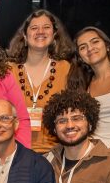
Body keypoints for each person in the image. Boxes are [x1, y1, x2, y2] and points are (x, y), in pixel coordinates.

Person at [6, 10, 74, 153]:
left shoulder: (65, 68)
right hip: (15, 151)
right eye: (34, 28)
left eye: (46, 27)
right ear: (25, 36)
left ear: (54, 35)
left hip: (54, 152)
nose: (40, 32)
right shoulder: (8, 70)